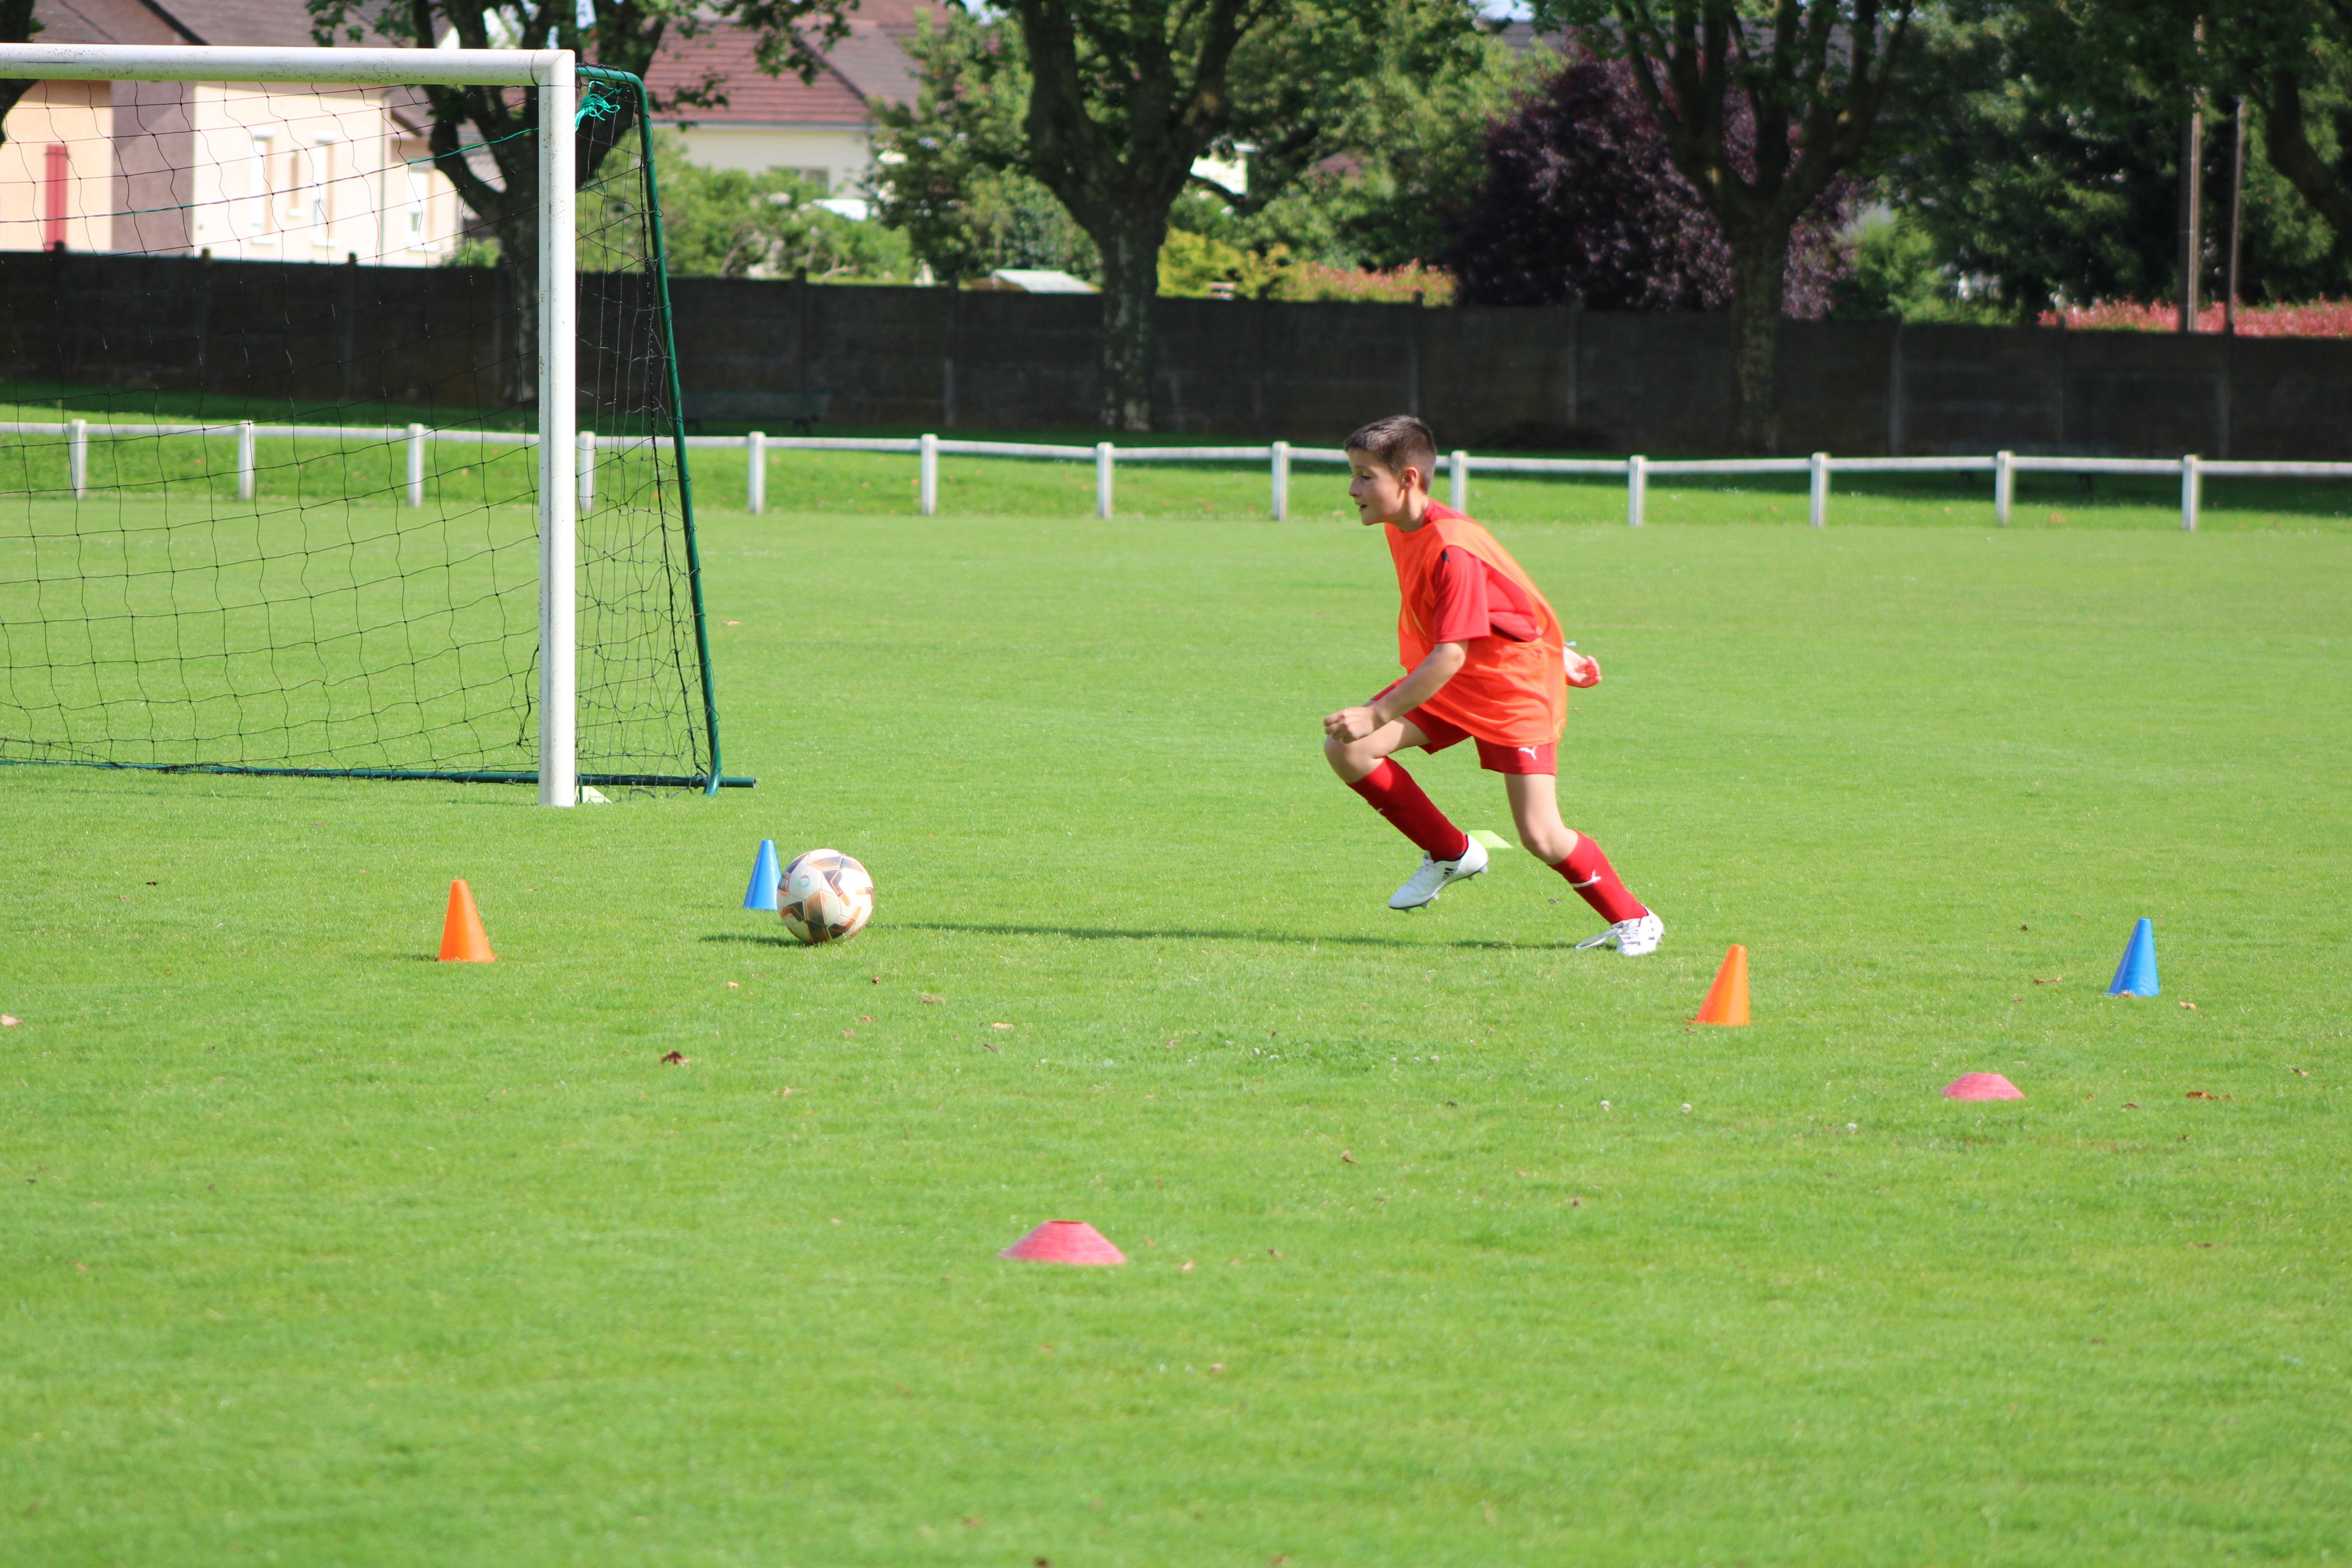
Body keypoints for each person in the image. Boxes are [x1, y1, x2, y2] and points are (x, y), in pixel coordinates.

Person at [1321, 414, 1661, 955]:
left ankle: (1636, 919)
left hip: (1507, 690)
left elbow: (1452, 649)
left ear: (1407, 480)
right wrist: (1555, 650)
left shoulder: (1453, 547)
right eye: (1353, 473)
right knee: (1350, 750)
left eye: (1365, 476)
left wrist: (1378, 712)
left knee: (1541, 836)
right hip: (1457, 680)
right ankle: (1451, 853)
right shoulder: (1405, 525)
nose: (1352, 488)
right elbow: (1508, 594)